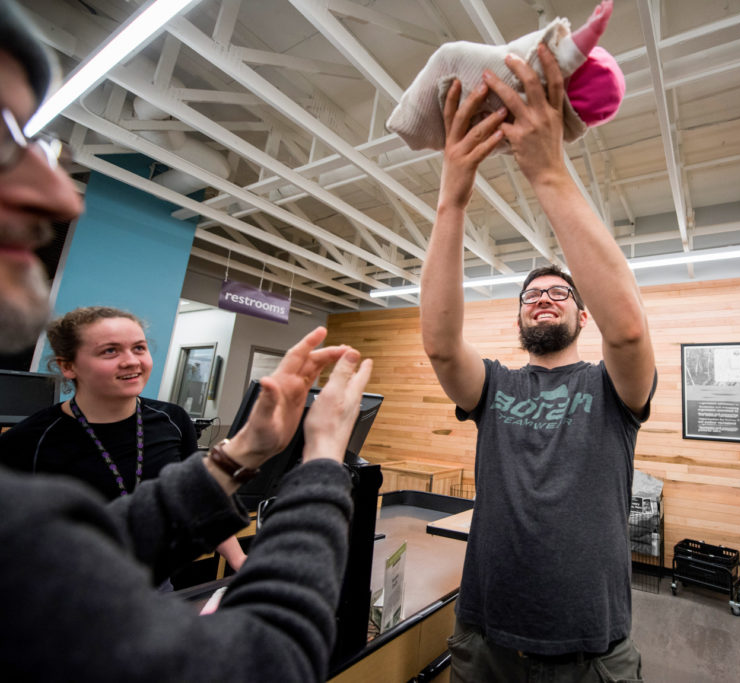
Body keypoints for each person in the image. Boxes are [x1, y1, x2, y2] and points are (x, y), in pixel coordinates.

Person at [0, 4, 374, 679]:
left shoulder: (167, 421)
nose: (62, 195)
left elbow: (77, 548)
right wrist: (321, 459)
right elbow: (270, 662)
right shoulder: (30, 443)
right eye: (3, 138)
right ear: (66, 366)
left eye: (38, 144)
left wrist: (241, 456)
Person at [419, 37, 656, 682]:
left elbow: (630, 331)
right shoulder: (494, 386)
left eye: (560, 294)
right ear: (520, 319)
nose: (544, 300)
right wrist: (452, 201)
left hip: (591, 653)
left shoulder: (612, 388)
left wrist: (549, 173)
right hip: (488, 641)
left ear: (584, 316)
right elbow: (441, 345)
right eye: (532, 296)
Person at [0, 306, 247, 573]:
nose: (132, 361)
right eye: (110, 351)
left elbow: (199, 499)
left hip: (156, 583)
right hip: (68, 589)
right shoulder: (27, 441)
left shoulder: (173, 420)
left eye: (139, 348)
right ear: (68, 366)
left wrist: (240, 561)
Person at [386, 0, 623, 152]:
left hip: (477, 92)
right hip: (478, 126)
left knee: (450, 55)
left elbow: (561, 57)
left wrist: (590, 32)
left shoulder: (542, 72)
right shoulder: (544, 131)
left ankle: (410, 120)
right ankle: (415, 124)